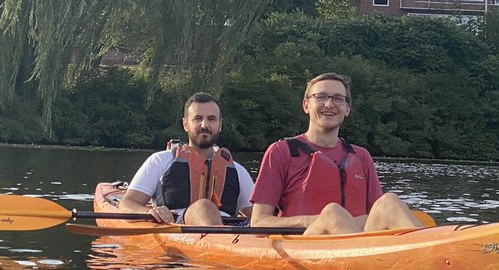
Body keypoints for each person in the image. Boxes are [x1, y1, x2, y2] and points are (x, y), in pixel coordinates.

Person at [250, 72, 419, 235]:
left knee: (389, 202)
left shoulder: (361, 156)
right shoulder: (281, 152)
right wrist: (311, 220)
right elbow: (258, 222)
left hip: (359, 244)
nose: (329, 104)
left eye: (338, 98)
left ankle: (433, 252)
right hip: (305, 243)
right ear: (306, 105)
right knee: (332, 214)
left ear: (347, 108)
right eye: (321, 97)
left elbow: (376, 216)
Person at [119, 92, 254, 226]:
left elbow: (257, 215)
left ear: (220, 125)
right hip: (177, 223)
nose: (204, 125)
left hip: (230, 230)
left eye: (211, 119)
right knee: (204, 207)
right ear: (185, 124)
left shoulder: (237, 170)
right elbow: (127, 204)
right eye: (197, 118)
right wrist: (148, 212)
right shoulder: (160, 161)